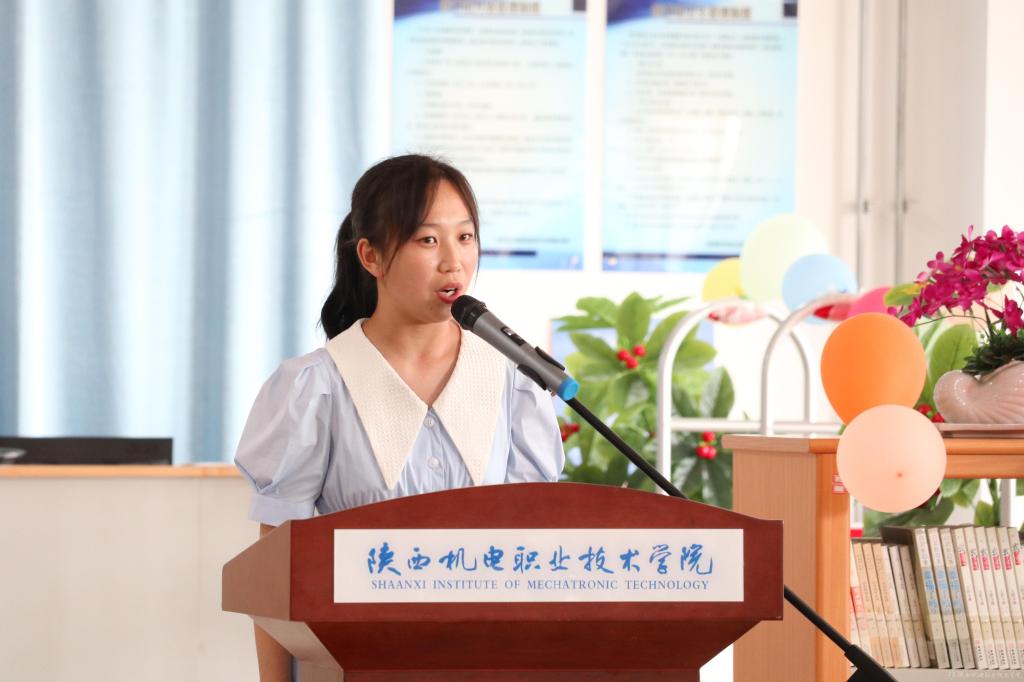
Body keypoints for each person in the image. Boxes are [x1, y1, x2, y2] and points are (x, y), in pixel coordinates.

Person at [233, 154, 565, 681]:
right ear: (371, 256)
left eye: (465, 237)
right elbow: (275, 576)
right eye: (428, 240)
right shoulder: (315, 387)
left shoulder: (513, 381)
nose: (454, 262)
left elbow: (532, 555)